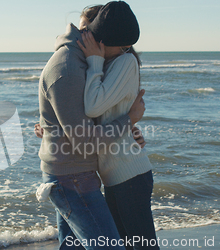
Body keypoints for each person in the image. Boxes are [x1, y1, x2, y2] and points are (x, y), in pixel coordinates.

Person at [37, 1, 146, 249]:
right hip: (70, 177)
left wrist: (129, 130)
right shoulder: (68, 67)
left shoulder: (80, 62)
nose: (125, 53)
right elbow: (85, 140)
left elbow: (81, 116)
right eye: (123, 47)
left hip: (77, 172)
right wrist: (128, 120)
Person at [76, 3, 160, 250]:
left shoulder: (124, 62)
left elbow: (93, 106)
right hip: (117, 175)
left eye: (88, 32)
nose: (86, 38)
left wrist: (93, 59)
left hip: (129, 174)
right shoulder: (108, 65)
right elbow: (94, 114)